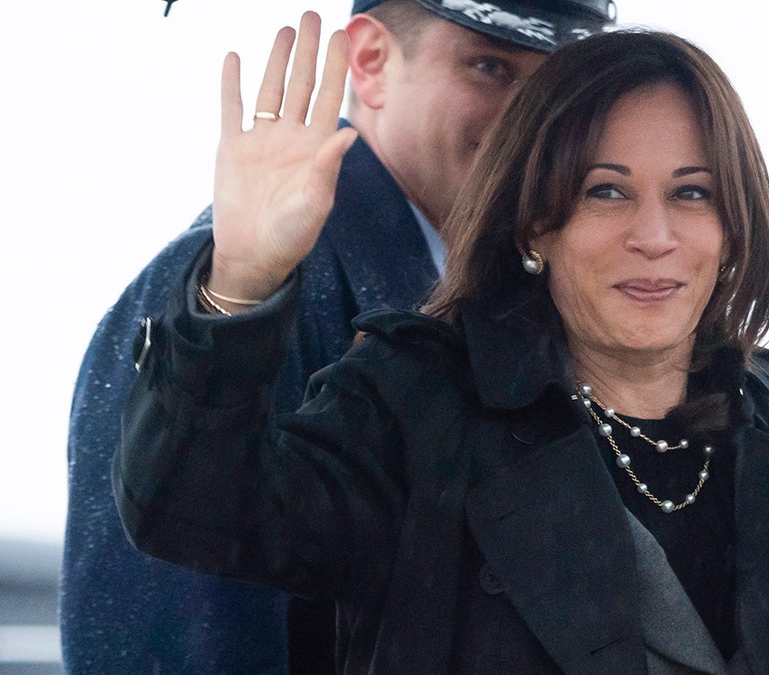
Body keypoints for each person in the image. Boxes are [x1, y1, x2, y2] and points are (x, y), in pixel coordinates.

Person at [114, 17, 769, 673]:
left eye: (693, 193)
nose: (654, 235)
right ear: (536, 221)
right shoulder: (414, 400)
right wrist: (240, 282)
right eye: (607, 192)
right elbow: (192, 504)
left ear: (736, 226)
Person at [61, 2, 617, 672]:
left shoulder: (523, 300)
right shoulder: (233, 295)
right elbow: (175, 637)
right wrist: (236, 297)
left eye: (558, 85)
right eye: (489, 67)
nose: (534, 119)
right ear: (373, 64)